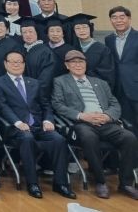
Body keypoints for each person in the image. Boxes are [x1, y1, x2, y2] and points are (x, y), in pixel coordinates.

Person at [52, 50, 138, 200]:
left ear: (86, 64)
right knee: (89, 137)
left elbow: (114, 104)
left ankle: (126, 183)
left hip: (105, 122)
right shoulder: (60, 81)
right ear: (67, 65)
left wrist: (107, 116)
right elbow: (57, 104)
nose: (78, 65)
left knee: (129, 138)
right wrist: (82, 115)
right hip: (82, 124)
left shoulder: (100, 82)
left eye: (81, 62)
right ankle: (100, 181)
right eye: (73, 62)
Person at [0, 51, 75, 199]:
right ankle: (32, 183)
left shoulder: (34, 83)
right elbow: (2, 107)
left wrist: (48, 120)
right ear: (5, 64)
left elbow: (45, 105)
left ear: (24, 64)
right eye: (13, 62)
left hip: (39, 126)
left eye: (20, 62)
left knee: (59, 139)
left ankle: (60, 183)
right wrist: (18, 123)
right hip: (16, 128)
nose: (16, 64)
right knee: (27, 138)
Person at [104, 5, 138, 129]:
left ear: (129, 19)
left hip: (135, 85)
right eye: (114, 18)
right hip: (119, 89)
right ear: (111, 20)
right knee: (128, 124)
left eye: (122, 17)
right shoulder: (108, 40)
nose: (118, 20)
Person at [70, 13, 115, 90]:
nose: (82, 30)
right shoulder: (73, 49)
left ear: (90, 28)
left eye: (85, 27)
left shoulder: (102, 49)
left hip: (97, 88)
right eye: (77, 28)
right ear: (74, 31)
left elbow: (107, 73)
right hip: (77, 89)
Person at [15, 17, 55, 101]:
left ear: (37, 32)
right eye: (24, 32)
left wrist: (33, 93)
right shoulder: (20, 51)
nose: (28, 35)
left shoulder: (45, 51)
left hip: (39, 95)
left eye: (31, 31)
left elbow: (46, 78)